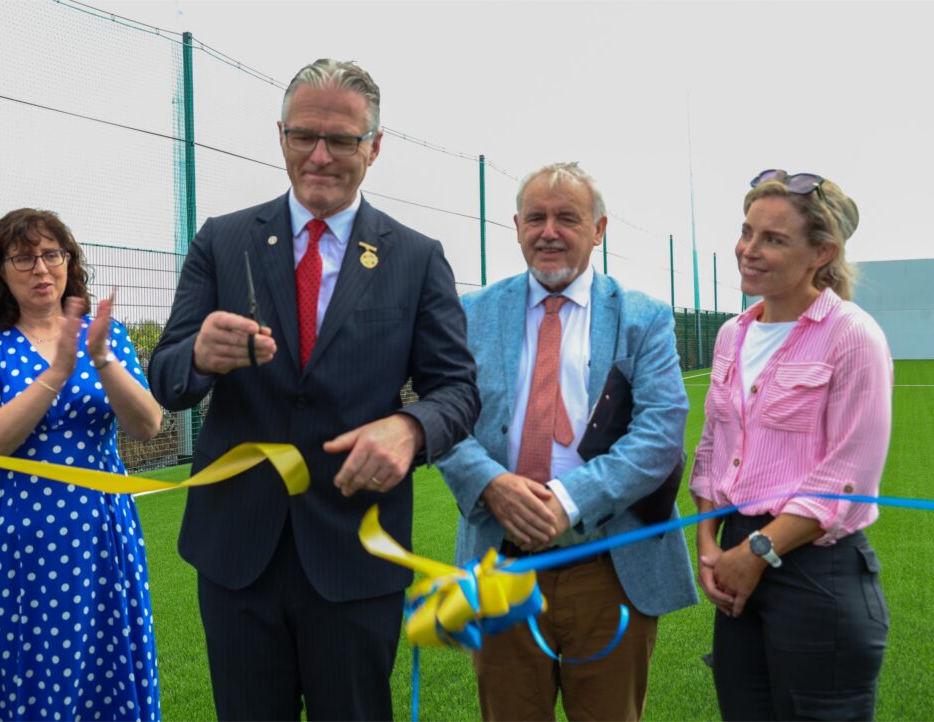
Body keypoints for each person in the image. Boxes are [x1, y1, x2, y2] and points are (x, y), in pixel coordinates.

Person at [147, 58, 479, 721]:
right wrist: (200, 358)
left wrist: (411, 429)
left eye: (342, 140)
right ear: (281, 137)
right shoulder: (223, 239)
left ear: (374, 147)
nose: (320, 156)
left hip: (356, 553)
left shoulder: (416, 257)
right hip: (237, 552)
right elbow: (167, 377)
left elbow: (458, 390)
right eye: (304, 136)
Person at [435, 162, 697, 721]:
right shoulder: (471, 314)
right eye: (536, 218)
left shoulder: (642, 317)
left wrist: (567, 502)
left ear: (599, 230)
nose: (548, 231)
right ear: (517, 225)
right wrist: (493, 485)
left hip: (607, 565)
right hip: (502, 564)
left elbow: (661, 431)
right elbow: (443, 416)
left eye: (567, 218)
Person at [0, 208, 164, 721]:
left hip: (100, 526)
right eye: (23, 257)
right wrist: (59, 371)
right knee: (26, 659)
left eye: (52, 255)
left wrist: (102, 359)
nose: (41, 269)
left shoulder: (106, 334)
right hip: (15, 536)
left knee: (105, 655)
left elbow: (147, 425)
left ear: (69, 263)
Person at [690, 169, 892, 721]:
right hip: (734, 557)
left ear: (821, 253)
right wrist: (709, 543)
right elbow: (713, 451)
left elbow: (849, 474)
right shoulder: (733, 334)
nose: (748, 250)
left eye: (773, 239)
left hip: (815, 574)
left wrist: (758, 552)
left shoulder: (852, 334)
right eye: (746, 231)